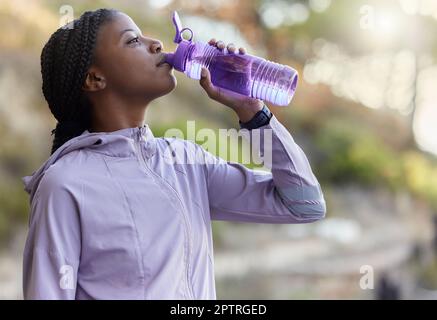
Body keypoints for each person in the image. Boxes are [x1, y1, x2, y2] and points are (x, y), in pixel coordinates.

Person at [21, 8, 326, 300]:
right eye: (132, 40)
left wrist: (252, 112)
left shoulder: (186, 162)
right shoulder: (64, 185)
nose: (155, 43)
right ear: (94, 79)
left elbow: (304, 205)